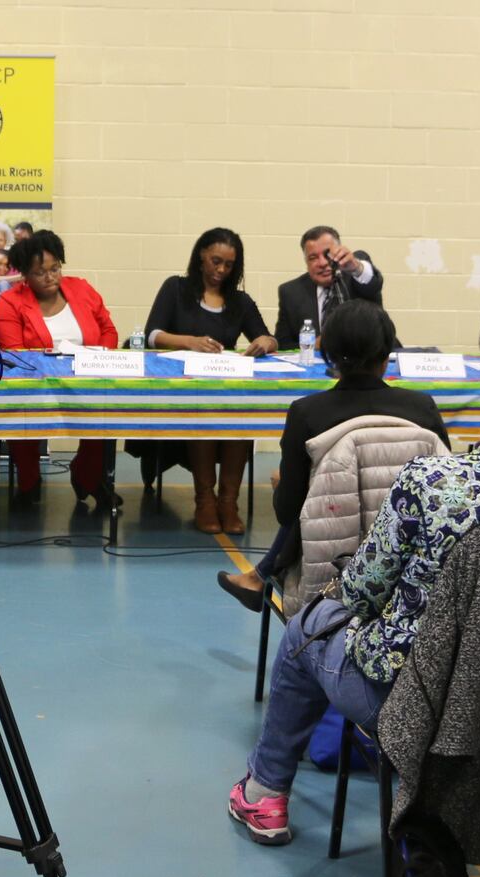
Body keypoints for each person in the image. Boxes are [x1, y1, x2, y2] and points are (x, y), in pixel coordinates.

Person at [227, 350, 480, 846]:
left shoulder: (430, 481)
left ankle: (264, 791)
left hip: (411, 704)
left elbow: (361, 593)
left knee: (307, 626)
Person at [216, 300, 448, 610]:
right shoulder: (423, 408)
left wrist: (283, 486)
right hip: (417, 585)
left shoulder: (306, 414)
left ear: (330, 356)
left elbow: (287, 513)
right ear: (386, 354)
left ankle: (259, 577)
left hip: (331, 591)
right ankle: (257, 577)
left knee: (299, 494)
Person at [144, 227, 276, 534]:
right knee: (204, 414)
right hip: (183, 390)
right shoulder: (176, 288)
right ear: (201, 256)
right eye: (216, 261)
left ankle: (228, 502)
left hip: (227, 389)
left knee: (239, 420)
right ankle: (205, 500)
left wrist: (266, 343)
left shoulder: (239, 301)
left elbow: (267, 335)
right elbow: (151, 335)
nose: (221, 270)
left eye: (228, 265)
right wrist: (188, 341)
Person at [0, 230, 119, 509]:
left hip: (86, 377)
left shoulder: (82, 289)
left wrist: (100, 359)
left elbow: (108, 330)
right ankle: (29, 480)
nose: (51, 277)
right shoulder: (11, 302)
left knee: (105, 406)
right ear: (24, 275)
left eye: (55, 268)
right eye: (40, 272)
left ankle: (89, 475)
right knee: (23, 408)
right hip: (36, 382)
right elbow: (14, 354)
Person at [273, 225, 385, 350]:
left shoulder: (357, 275)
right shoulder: (290, 292)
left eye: (327, 254)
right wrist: (313, 346)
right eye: (313, 258)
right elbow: (283, 346)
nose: (322, 263)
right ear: (306, 262)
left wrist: (356, 267)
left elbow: (373, 283)